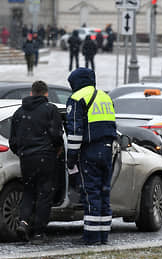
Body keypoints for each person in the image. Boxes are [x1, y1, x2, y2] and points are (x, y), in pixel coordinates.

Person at [65, 68, 117, 245]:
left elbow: (74, 132)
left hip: (90, 151)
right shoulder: (105, 97)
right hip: (107, 150)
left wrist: (71, 157)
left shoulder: (77, 98)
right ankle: (103, 236)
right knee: (104, 193)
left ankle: (91, 238)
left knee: (90, 194)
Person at [9, 80, 64, 244]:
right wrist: (56, 149)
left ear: (31, 93)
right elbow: (56, 135)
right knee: (45, 194)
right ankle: (39, 232)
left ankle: (24, 222)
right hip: (45, 157)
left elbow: (13, 141)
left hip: (26, 158)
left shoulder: (19, 112)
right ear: (46, 94)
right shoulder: (50, 110)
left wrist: (21, 152)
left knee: (28, 192)